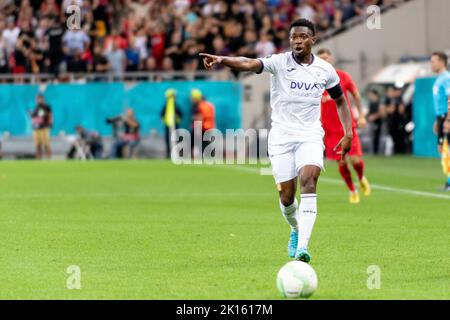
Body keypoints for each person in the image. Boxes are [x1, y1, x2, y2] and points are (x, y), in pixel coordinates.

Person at [199, 19, 353, 263]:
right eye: (293, 37)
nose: (297, 41)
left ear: (313, 39)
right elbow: (249, 63)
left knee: (309, 180)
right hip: (281, 138)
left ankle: (303, 248)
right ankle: (294, 228)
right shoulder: (280, 62)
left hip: (310, 136)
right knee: (287, 197)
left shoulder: (325, 70)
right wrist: (222, 59)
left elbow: (341, 101)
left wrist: (349, 133)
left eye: (303, 36)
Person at [317, 48, 371, 204]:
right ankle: (352, 190)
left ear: (331, 59)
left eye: (326, 57)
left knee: (355, 160)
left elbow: (356, 95)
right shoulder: (314, 79)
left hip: (347, 127)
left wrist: (360, 115)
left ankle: (361, 178)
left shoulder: (342, 76)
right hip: (329, 130)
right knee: (341, 161)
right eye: (321, 58)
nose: (324, 60)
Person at [430, 52, 450, 191]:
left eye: (434, 61)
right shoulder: (438, 79)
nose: (432, 64)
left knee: (447, 149)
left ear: (442, 62)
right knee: (444, 150)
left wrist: (448, 119)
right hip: (441, 117)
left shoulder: (447, 78)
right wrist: (437, 121)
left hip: (446, 116)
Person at [190, 89, 216, 158]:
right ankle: (210, 155)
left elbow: (199, 117)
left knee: (198, 141)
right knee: (205, 142)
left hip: (202, 126)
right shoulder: (209, 105)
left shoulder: (200, 106)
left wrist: (195, 122)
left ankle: (209, 155)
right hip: (208, 126)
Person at [161, 89, 183, 159]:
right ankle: (168, 154)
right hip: (168, 126)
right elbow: (162, 115)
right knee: (168, 140)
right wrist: (167, 121)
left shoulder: (176, 106)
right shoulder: (166, 106)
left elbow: (181, 115)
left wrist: (176, 119)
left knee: (176, 140)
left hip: (175, 125)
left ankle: (177, 153)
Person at [30, 94, 53, 159]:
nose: (38, 100)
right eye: (37, 99)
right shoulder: (36, 107)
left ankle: (49, 159)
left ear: (43, 99)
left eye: (39, 99)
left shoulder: (46, 107)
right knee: (37, 145)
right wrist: (32, 115)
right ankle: (38, 161)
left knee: (46, 145)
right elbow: (36, 117)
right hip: (36, 128)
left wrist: (50, 124)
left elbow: (49, 115)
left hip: (44, 128)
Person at [367, 89, 384, 155]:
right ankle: (374, 151)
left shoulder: (379, 103)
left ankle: (377, 151)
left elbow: (381, 113)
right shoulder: (371, 103)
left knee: (377, 136)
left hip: (378, 122)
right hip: (372, 122)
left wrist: (374, 116)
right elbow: (369, 112)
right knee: (372, 137)